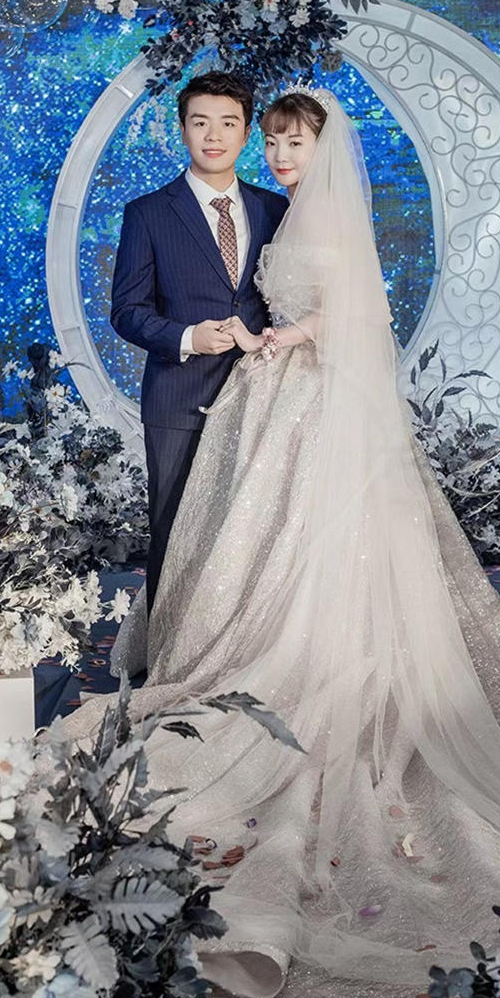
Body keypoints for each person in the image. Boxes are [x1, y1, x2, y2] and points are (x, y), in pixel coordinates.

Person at [71, 87, 500, 998]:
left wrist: (293, 334)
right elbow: (132, 310)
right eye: (253, 135)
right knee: (201, 543)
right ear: (187, 130)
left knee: (298, 549)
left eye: (273, 137)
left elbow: (357, 309)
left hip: (297, 397)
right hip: (218, 396)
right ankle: (184, 651)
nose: (264, 150)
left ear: (305, 144)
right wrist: (209, 335)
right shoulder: (160, 211)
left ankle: (295, 662)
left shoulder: (289, 209)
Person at [110, 72, 288, 612]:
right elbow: (127, 312)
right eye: (200, 122)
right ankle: (168, 646)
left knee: (253, 534)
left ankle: (235, 645)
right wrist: (188, 336)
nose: (214, 135)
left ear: (247, 133)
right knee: (174, 531)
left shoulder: (275, 210)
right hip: (179, 399)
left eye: (228, 123)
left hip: (259, 398)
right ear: (183, 130)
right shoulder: (148, 212)